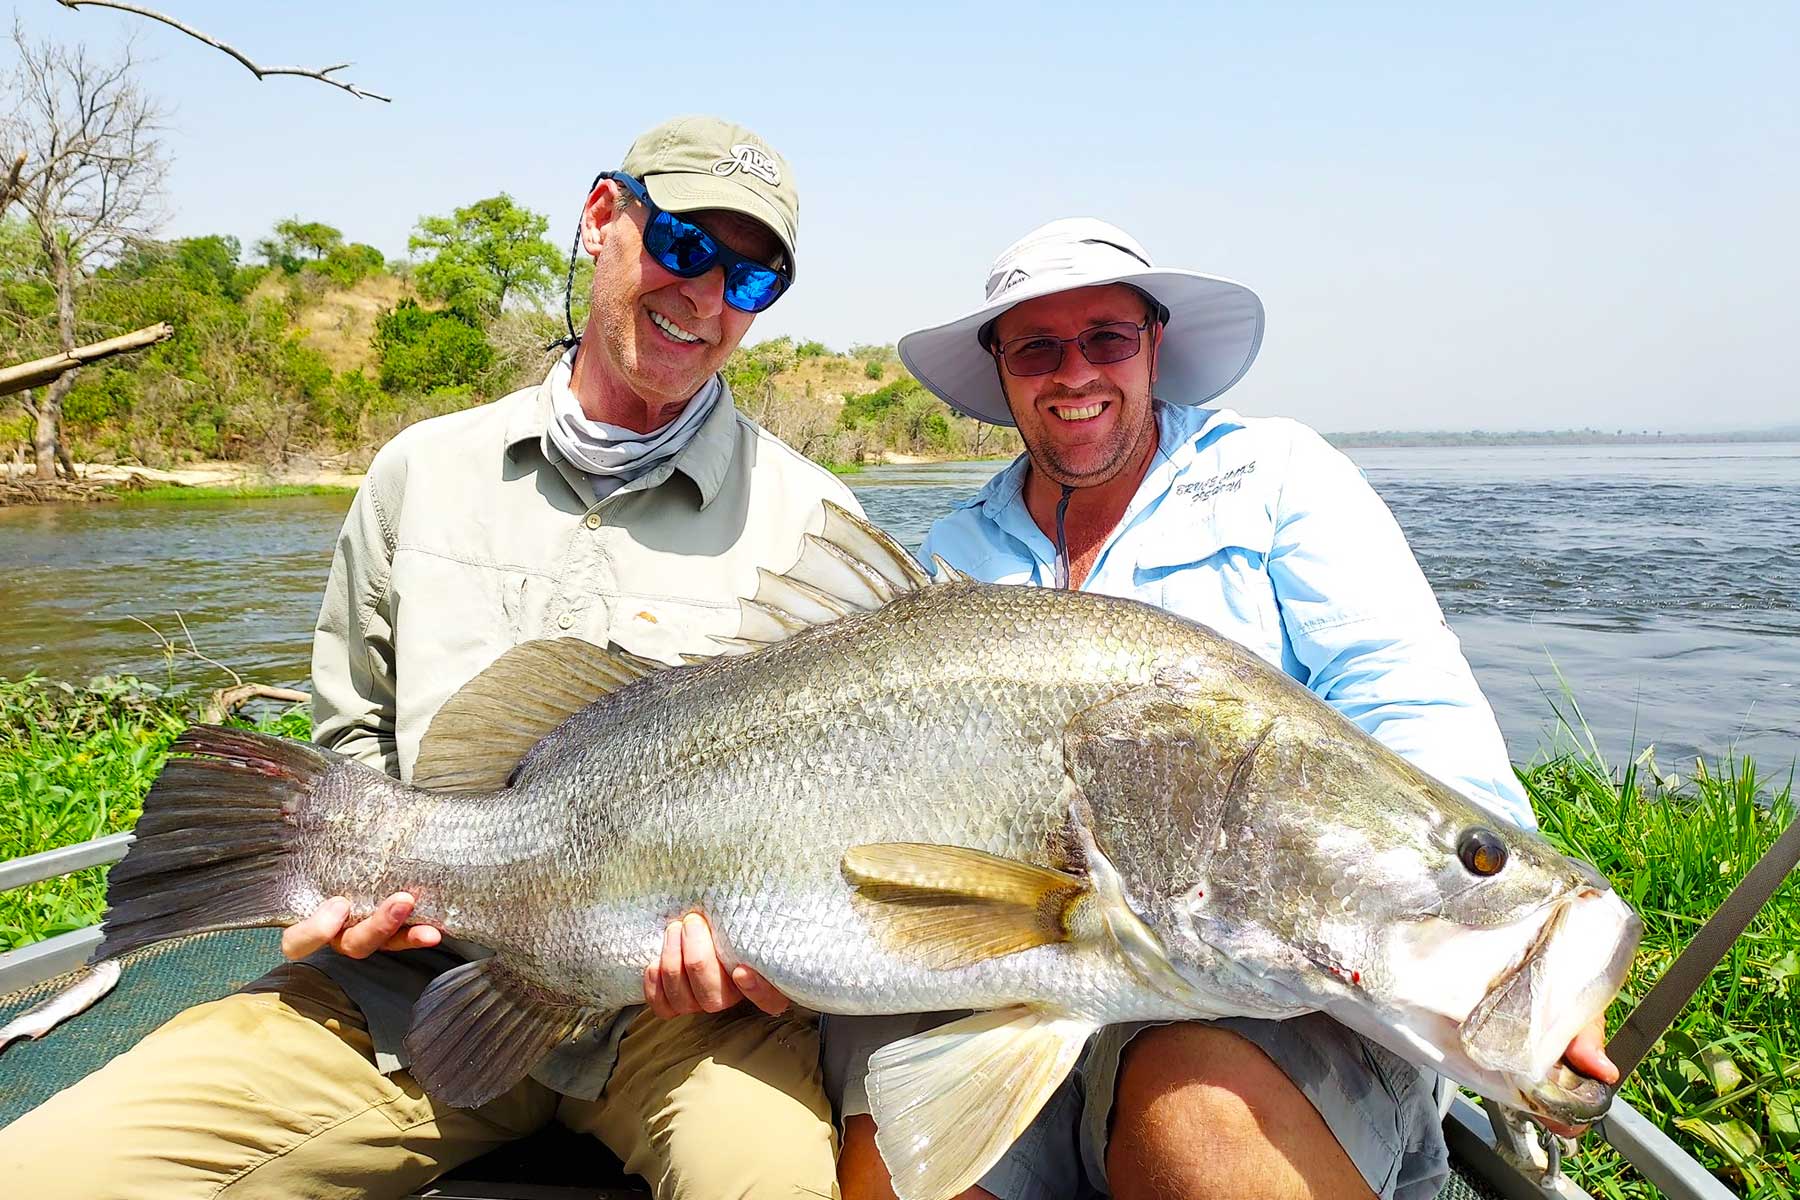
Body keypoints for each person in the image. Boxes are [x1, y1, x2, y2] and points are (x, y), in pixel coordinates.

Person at [0, 115, 852, 1199]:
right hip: (419, 989)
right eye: (686, 246)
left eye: (752, 278)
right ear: (603, 221)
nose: (708, 297)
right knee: (40, 1174)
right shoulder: (422, 471)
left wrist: (773, 967)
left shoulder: (815, 526)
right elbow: (355, 729)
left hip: (686, 1031)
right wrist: (358, 892)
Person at [821, 218, 1619, 1200]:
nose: (1075, 372)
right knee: (897, 1177)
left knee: (1190, 1108)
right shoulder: (959, 550)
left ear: (1155, 343)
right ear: (1001, 370)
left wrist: (1503, 942)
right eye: (1037, 347)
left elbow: (1407, 699)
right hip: (1024, 991)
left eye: (1106, 338)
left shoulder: (1282, 479)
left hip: (1274, 999)